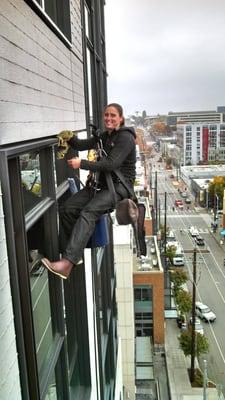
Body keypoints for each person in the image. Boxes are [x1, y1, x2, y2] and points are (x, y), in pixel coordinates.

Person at [42, 103, 137, 279]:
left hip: (118, 188)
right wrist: (69, 137)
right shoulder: (104, 136)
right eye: (106, 115)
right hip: (100, 185)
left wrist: (82, 164)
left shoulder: (126, 138)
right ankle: (74, 254)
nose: (109, 118)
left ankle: (67, 262)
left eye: (113, 115)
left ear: (121, 119)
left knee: (88, 212)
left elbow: (111, 164)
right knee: (67, 208)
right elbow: (81, 144)